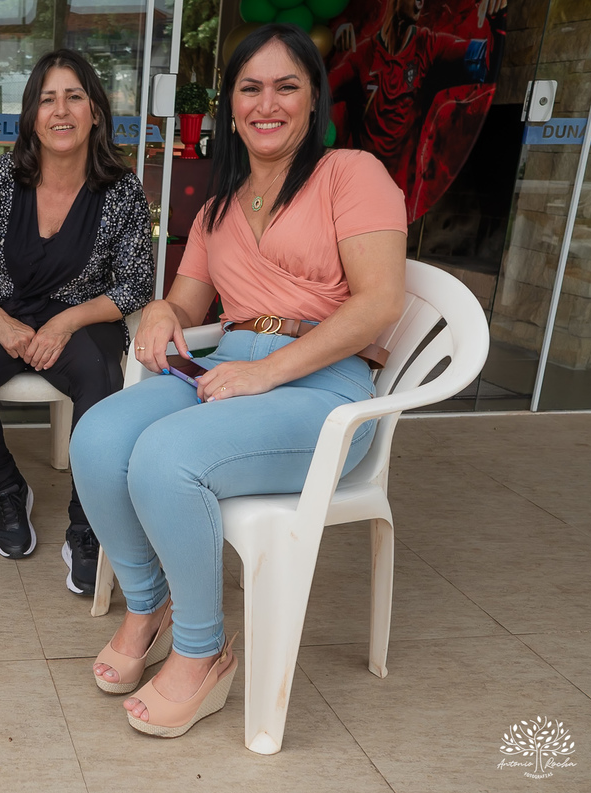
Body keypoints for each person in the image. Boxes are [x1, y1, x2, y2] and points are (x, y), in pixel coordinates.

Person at [69, 24, 407, 737]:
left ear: (313, 98)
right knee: (97, 436)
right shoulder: (218, 206)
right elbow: (186, 304)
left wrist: (268, 371)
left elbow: (379, 302)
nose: (267, 103)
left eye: (287, 86)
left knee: (166, 458)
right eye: (250, 88)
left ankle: (202, 652)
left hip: (323, 389)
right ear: (229, 105)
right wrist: (161, 312)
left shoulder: (351, 174)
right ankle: (149, 604)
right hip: (228, 368)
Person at [0, 49, 154, 596]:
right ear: (32, 115)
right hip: (0, 312)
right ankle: (9, 491)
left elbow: (135, 284)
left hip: (81, 318)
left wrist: (68, 322)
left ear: (95, 111)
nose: (61, 111)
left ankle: (87, 524)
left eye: (74, 97)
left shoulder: (121, 189)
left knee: (101, 377)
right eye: (48, 99)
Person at [328, 0, 506, 217]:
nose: (421, 2)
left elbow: (486, 64)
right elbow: (316, 95)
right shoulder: (361, 56)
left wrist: (498, 21)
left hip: (401, 201)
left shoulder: (430, 46)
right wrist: (333, 47)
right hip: (357, 195)